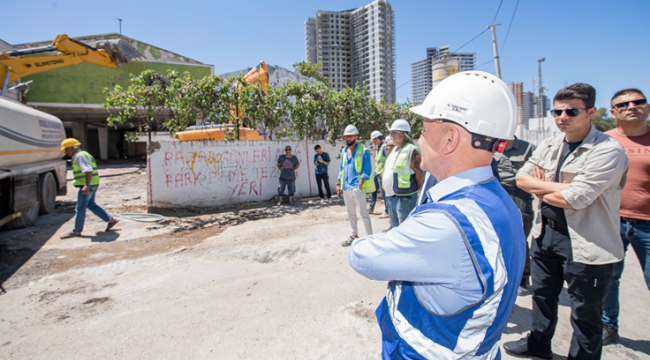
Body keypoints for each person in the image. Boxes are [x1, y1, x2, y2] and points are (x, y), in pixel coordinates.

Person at [348, 71, 525, 359]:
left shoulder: (448, 223)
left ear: (449, 139)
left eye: (424, 130)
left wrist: (394, 236)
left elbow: (362, 257)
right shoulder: (499, 201)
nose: (418, 139)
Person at [505, 84, 628, 360]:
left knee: (585, 312)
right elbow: (522, 180)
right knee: (543, 298)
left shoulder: (608, 150)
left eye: (571, 111)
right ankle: (538, 344)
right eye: (557, 111)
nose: (562, 116)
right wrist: (555, 188)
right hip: (545, 233)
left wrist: (543, 186)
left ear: (591, 112)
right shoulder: (550, 144)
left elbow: (578, 198)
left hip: (586, 239)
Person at [601, 88, 650, 345]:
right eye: (624, 104)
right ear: (613, 112)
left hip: (648, 225)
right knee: (608, 280)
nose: (632, 107)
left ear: (647, 107)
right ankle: (608, 327)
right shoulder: (602, 141)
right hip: (611, 221)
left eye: (638, 102)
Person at [493, 137, 536, 296]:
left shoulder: (527, 148)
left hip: (519, 197)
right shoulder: (490, 145)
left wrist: (519, 180)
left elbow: (536, 175)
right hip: (496, 194)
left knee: (519, 239)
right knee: (496, 238)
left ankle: (523, 278)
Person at [60, 138, 118, 239]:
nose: (65, 151)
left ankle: (77, 231)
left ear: (73, 147)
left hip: (87, 185)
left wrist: (86, 186)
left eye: (66, 149)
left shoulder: (80, 156)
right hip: (93, 184)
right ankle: (110, 219)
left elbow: (88, 170)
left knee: (80, 208)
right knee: (90, 204)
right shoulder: (83, 154)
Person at [337, 124, 375, 247]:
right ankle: (354, 235)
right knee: (350, 213)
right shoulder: (344, 151)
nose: (348, 138)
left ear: (356, 137)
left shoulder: (364, 151)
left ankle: (370, 237)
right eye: (346, 136)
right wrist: (338, 183)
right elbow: (341, 169)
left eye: (350, 136)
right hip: (346, 187)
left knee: (363, 213)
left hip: (357, 187)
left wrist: (360, 184)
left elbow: (367, 169)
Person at [382, 119, 423, 227]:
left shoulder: (411, 150)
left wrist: (420, 193)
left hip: (405, 199)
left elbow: (419, 174)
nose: (390, 135)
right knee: (395, 229)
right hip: (391, 197)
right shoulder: (394, 150)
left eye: (392, 132)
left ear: (400, 135)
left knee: (405, 229)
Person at [368, 130, 388, 218]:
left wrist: (384, 171)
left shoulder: (384, 147)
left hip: (381, 174)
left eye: (373, 140)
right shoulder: (379, 148)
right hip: (376, 172)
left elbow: (388, 160)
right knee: (373, 190)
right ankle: (371, 208)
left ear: (377, 139)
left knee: (384, 193)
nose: (373, 141)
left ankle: (387, 211)